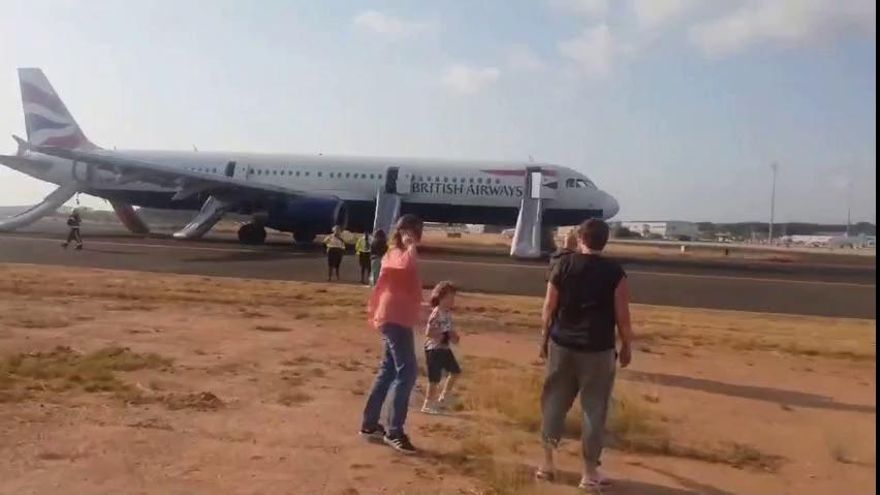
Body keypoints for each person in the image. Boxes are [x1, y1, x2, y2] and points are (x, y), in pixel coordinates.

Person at [536, 219, 635, 489]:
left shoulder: (563, 265)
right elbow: (622, 316)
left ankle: (546, 463)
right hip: (597, 349)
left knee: (554, 402)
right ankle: (589, 472)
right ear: (605, 241)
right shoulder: (615, 273)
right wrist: (627, 345)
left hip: (562, 343)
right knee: (594, 409)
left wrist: (543, 338)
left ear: (580, 238)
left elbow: (548, 307)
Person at [360, 214, 424, 454]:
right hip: (394, 318)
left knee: (389, 369)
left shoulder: (398, 252)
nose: (418, 236)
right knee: (406, 371)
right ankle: (394, 431)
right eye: (416, 231)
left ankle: (369, 424)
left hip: (398, 317)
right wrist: (410, 245)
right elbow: (406, 265)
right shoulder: (397, 252)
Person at [421, 281, 461, 415]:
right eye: (449, 298)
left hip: (443, 348)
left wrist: (454, 336)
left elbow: (450, 330)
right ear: (440, 297)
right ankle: (427, 404)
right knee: (434, 379)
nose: (452, 301)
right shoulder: (437, 313)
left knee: (455, 371)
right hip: (433, 349)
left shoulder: (447, 314)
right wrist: (444, 334)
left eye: (453, 298)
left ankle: (444, 396)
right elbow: (428, 332)